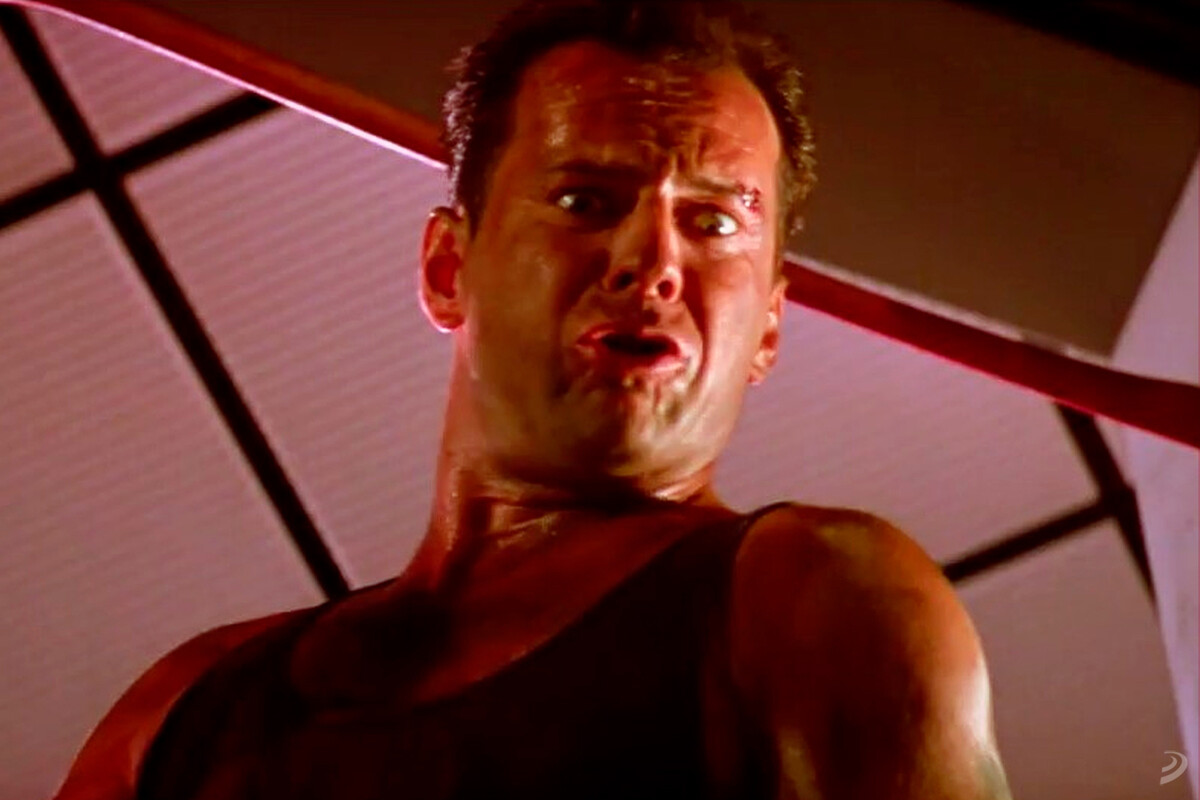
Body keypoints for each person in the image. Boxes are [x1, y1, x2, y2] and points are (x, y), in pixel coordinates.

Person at [55, 1, 1012, 797]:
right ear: (448, 267)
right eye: (585, 200)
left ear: (767, 326)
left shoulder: (824, 600)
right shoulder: (180, 714)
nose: (652, 261)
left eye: (714, 222)